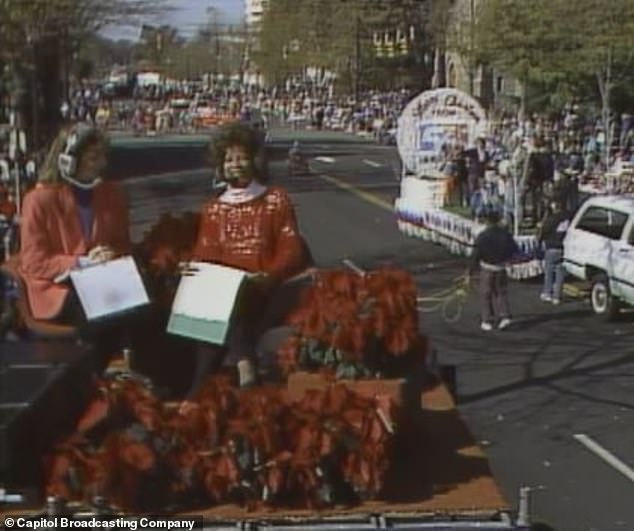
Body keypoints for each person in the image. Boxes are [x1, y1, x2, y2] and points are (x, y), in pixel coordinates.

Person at [185, 122, 311, 396]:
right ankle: (214, 378)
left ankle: (220, 377)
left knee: (232, 298)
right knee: (210, 302)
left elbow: (292, 248)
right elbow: (205, 253)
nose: (235, 165)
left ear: (254, 160)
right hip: (228, 290)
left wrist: (270, 274)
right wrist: (192, 269)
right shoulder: (214, 209)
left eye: (241, 158)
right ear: (220, 166)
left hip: (269, 287)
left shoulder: (275, 199)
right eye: (229, 159)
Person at [18, 124, 131, 357]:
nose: (101, 164)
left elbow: (123, 244)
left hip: (102, 279)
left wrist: (111, 254)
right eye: (93, 158)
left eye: (102, 157)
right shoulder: (38, 200)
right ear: (67, 162)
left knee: (143, 309)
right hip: (56, 288)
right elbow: (33, 262)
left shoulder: (112, 194)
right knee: (102, 311)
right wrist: (81, 262)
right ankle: (94, 379)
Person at [469, 209, 519, 331]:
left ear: (487, 221)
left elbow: (476, 254)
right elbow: (514, 249)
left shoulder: (483, 236)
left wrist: (471, 270)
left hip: (487, 267)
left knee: (486, 294)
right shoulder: (505, 234)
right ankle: (505, 316)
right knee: (501, 292)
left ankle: (487, 319)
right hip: (501, 267)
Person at [538, 201, 570, 305]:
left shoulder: (552, 219)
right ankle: (557, 296)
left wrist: (540, 240)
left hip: (551, 247)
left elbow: (544, 231)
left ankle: (547, 293)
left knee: (549, 272)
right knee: (560, 273)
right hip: (563, 248)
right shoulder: (567, 219)